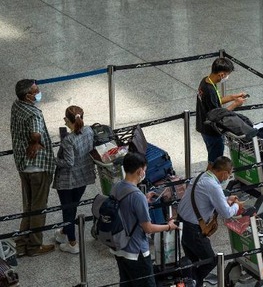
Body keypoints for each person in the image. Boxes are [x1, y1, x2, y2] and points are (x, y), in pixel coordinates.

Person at [112, 152, 179, 287]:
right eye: (144, 170)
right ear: (139, 171)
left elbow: (127, 211)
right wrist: (169, 226)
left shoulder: (117, 187)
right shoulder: (137, 196)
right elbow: (148, 228)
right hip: (136, 251)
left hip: (119, 247)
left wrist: (145, 202)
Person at [177, 156, 242, 286]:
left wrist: (226, 199)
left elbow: (207, 198)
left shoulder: (201, 176)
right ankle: (193, 281)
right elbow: (226, 213)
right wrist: (237, 206)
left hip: (181, 223)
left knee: (193, 260)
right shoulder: (213, 186)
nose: (227, 178)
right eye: (228, 176)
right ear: (224, 173)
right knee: (211, 260)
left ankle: (192, 280)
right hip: (193, 229)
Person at [11, 79, 56, 257]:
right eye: (36, 91)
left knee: (28, 206)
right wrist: (35, 142)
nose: (39, 93)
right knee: (38, 208)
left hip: (23, 164)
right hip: (38, 168)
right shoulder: (33, 114)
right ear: (28, 96)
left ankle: (21, 244)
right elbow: (36, 131)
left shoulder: (17, 105)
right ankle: (34, 246)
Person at [53, 106, 96, 254]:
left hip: (67, 181)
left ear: (66, 119)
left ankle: (72, 243)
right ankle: (64, 231)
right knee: (73, 206)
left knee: (67, 210)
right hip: (84, 177)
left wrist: (53, 160)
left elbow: (69, 163)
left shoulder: (68, 140)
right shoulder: (89, 131)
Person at [196, 58, 247, 165]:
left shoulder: (206, 81)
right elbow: (218, 116)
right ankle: (210, 180)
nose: (227, 77)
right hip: (212, 132)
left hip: (203, 126)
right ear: (221, 74)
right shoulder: (210, 91)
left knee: (213, 157)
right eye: (227, 74)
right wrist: (235, 104)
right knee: (215, 163)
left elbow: (216, 101)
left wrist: (233, 97)